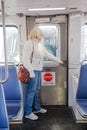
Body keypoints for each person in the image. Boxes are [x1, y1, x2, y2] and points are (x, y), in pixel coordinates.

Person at [23, 27, 63, 120]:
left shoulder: (39, 46)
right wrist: (31, 72)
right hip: (32, 71)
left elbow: (48, 55)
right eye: (41, 35)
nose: (42, 37)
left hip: (38, 70)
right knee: (31, 91)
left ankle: (37, 108)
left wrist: (59, 61)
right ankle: (28, 112)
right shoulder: (29, 44)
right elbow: (25, 59)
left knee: (36, 90)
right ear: (37, 34)